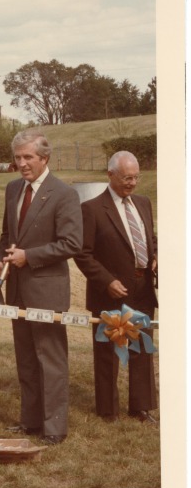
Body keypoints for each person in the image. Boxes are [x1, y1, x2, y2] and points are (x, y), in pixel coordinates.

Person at [0, 129, 82, 445]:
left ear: (44, 158)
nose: (22, 163)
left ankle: (55, 427)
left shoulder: (64, 194)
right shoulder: (13, 189)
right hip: (18, 289)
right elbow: (7, 234)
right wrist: (0, 260)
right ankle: (30, 422)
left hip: (47, 291)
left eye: (28, 157)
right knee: (27, 358)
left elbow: (72, 243)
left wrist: (28, 257)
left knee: (51, 360)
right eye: (17, 157)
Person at [74, 151, 158, 424]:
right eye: (126, 178)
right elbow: (83, 254)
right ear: (110, 175)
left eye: (136, 177)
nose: (132, 183)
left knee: (142, 348)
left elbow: (149, 239)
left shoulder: (144, 203)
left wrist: (155, 256)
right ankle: (108, 410)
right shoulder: (92, 209)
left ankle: (140, 407)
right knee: (108, 352)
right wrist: (106, 281)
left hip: (142, 288)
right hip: (111, 290)